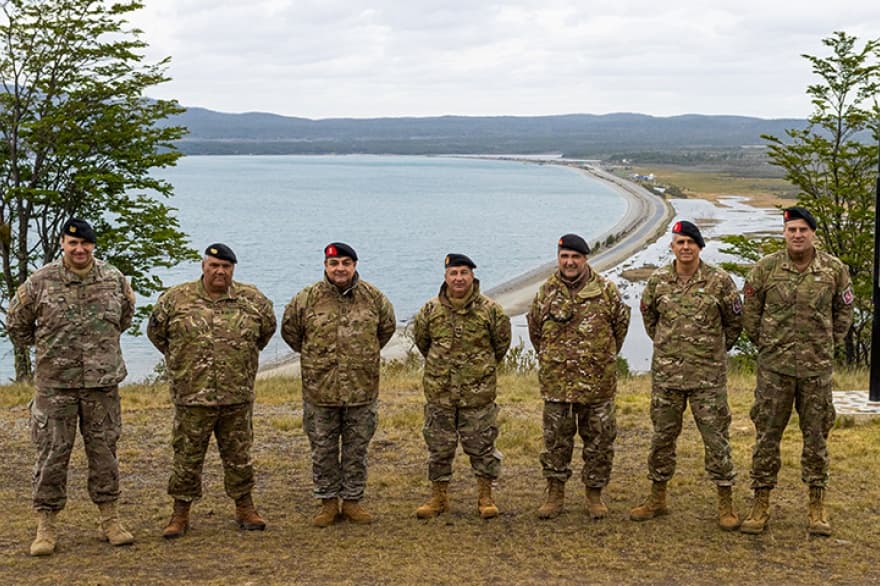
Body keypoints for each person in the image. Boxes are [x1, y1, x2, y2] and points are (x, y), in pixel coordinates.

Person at [6, 218, 136, 556]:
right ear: (63, 243)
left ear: (94, 246)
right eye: (72, 243)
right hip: (56, 387)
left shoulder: (114, 279)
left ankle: (110, 518)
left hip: (101, 385)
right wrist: (49, 350)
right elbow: (16, 324)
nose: (80, 249)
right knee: (52, 453)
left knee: (105, 452)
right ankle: (46, 525)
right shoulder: (40, 282)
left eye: (86, 244)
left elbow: (124, 318)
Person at [147, 243, 276, 538]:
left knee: (239, 456)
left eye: (226, 267)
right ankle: (180, 514)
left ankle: (245, 507)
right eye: (214, 266)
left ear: (233, 269)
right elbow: (157, 334)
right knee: (187, 457)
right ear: (203, 267)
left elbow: (265, 332)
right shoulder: (175, 299)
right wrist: (185, 365)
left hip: (236, 395)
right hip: (193, 396)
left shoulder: (252, 300)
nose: (220, 271)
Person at [740, 207, 853, 536]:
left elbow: (844, 310)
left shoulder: (833, 270)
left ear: (813, 233)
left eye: (803, 229)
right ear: (784, 233)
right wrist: (767, 344)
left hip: (816, 371)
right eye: (792, 230)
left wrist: (827, 344)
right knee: (766, 438)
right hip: (774, 370)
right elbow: (751, 312)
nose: (798, 235)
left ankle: (817, 505)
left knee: (816, 439)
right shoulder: (766, 269)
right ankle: (760, 502)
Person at [629, 221, 742, 530]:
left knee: (717, 440)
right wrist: (670, 348)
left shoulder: (720, 281)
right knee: (662, 439)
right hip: (668, 378)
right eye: (680, 242)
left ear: (700, 247)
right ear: (672, 247)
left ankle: (725, 503)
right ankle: (657, 498)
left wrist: (712, 351)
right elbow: (650, 319)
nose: (686, 247)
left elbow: (734, 323)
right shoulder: (658, 281)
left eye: (691, 242)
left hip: (708, 379)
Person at [281, 242, 396, 526]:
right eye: (334, 264)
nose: (340, 269)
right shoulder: (306, 299)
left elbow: (386, 329)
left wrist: (359, 357)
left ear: (355, 265)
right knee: (323, 450)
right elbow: (291, 333)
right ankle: (328, 502)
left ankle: (353, 501)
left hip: (361, 389)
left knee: (357, 449)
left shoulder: (374, 298)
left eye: (346, 263)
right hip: (320, 390)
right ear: (325, 266)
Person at [528, 233, 630, 519]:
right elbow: (536, 331)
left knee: (599, 442)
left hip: (597, 383)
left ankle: (594, 495)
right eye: (564, 257)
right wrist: (555, 359)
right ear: (558, 259)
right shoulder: (546, 292)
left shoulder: (606, 291)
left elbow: (619, 328)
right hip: (557, 383)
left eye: (575, 257)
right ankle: (555, 494)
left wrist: (597, 358)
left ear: (585, 259)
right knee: (556, 442)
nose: (569, 262)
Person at [412, 253, 511, 519]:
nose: (458, 278)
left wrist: (478, 371)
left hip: (477, 396)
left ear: (472, 276)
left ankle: (485, 497)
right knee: (439, 449)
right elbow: (423, 342)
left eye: (463, 273)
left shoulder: (490, 310)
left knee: (482, 448)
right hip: (440, 395)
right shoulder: (429, 311)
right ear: (446, 277)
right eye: (453, 273)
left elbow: (500, 345)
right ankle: (438, 498)